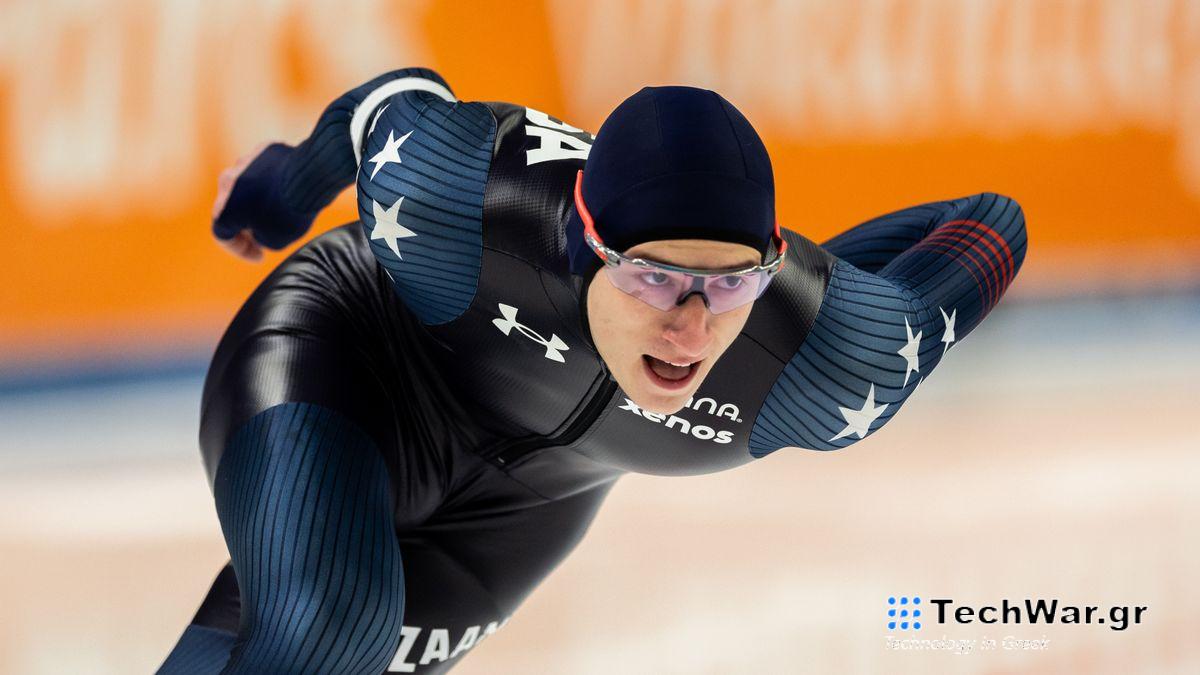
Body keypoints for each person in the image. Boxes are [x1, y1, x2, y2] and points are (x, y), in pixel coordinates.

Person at [158, 67, 1027, 674]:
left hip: (533, 502)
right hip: (351, 361)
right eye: (652, 275)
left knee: (324, 644)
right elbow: (381, 106)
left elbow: (993, 217)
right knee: (325, 633)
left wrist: (804, 306)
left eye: (728, 285)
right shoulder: (458, 199)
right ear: (583, 244)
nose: (688, 326)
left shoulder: (828, 364)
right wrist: (281, 190)